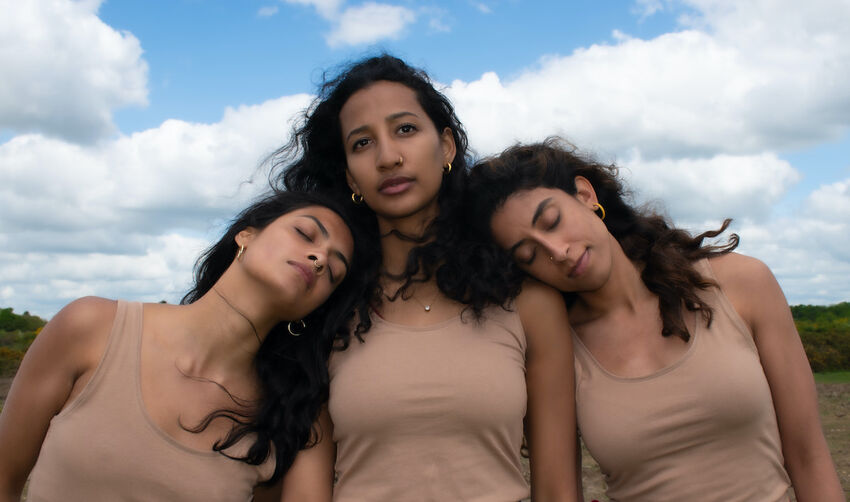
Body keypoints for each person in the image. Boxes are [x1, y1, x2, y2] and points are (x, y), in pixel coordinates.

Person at [465, 137, 845, 502]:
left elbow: (809, 457)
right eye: (529, 255)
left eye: (551, 221)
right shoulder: (558, 350)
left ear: (585, 196)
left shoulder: (742, 284)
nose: (558, 252)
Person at [274, 55, 578, 501]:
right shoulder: (325, 308)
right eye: (361, 143)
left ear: (448, 147)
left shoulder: (528, 303)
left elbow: (557, 490)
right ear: (349, 176)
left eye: (405, 129)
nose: (388, 157)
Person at [0, 191, 367, 501]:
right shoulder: (92, 327)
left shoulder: (291, 414)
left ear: (313, 309)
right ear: (245, 235)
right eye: (305, 234)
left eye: (334, 271)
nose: (320, 259)